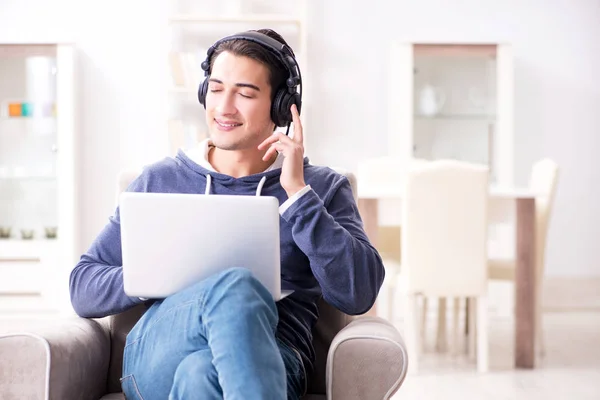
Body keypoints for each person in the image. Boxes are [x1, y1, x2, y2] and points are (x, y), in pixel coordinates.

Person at [69, 28, 385, 400]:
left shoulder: (321, 188)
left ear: (281, 106)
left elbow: (358, 294)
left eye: (245, 93)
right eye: (216, 89)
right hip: (159, 353)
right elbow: (83, 286)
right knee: (235, 286)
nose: (224, 107)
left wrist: (298, 195)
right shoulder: (159, 179)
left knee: (201, 373)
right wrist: (157, 272)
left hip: (277, 356)